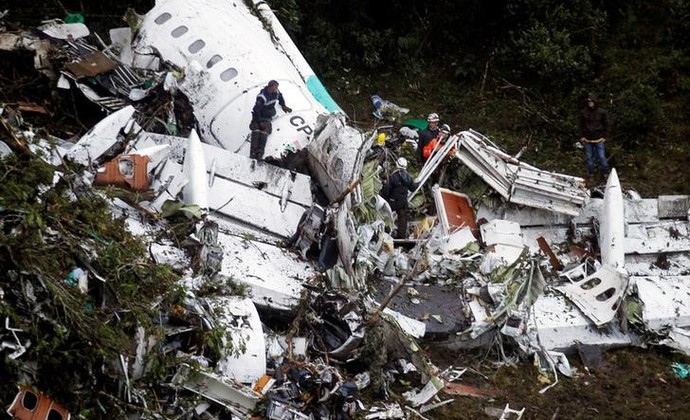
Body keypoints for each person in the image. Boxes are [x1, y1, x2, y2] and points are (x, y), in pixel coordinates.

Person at [249, 80, 292, 160]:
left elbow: (280, 97)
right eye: (275, 88)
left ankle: (259, 155)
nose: (276, 90)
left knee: (264, 133)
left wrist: (283, 105)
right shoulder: (262, 97)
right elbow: (256, 110)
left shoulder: (276, 93)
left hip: (267, 117)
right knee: (256, 132)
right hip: (259, 116)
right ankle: (253, 155)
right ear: (270, 87)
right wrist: (259, 121)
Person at [381, 157, 418, 239]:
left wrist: (383, 198)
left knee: (385, 215)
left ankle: (385, 233)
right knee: (403, 218)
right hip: (403, 202)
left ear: (397, 165)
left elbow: (387, 189)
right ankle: (401, 236)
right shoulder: (408, 177)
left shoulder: (393, 176)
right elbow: (413, 188)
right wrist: (417, 183)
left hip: (393, 201)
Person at [578, 94, 609, 176]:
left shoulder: (601, 112)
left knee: (602, 156)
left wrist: (604, 136)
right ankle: (591, 173)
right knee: (589, 158)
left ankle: (605, 173)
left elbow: (606, 125)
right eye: (588, 102)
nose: (590, 103)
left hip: (599, 138)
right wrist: (582, 136)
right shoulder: (583, 112)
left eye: (591, 101)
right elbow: (580, 125)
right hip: (587, 139)